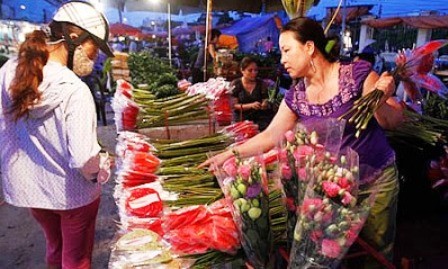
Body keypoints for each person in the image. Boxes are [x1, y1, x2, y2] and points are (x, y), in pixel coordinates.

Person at [201, 17, 403, 269]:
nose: (282, 59)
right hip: (333, 188)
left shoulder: (357, 74)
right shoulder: (297, 95)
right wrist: (229, 154)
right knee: (334, 254)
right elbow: (271, 135)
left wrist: (381, 97)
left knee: (376, 251)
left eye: (287, 50)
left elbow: (392, 122)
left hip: (373, 182)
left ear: (309, 47)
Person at [0, 1, 114, 268]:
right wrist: (103, 165)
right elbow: (84, 160)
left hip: (32, 191)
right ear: (74, 38)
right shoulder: (74, 90)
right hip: (73, 195)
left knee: (55, 248)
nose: (94, 58)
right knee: (76, 259)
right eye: (94, 49)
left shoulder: (8, 72)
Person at [231, 56, 274, 131]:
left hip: (258, 119)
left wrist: (265, 103)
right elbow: (234, 105)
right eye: (250, 70)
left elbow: (265, 99)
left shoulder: (261, 84)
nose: (254, 73)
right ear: (242, 70)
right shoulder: (236, 84)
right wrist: (250, 105)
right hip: (242, 119)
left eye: (256, 70)